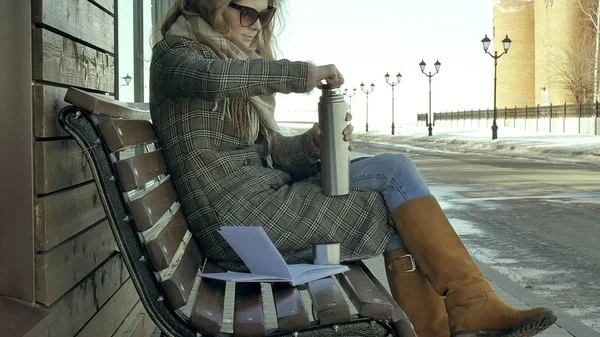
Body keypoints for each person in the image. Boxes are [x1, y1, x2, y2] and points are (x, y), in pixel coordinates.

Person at [149, 0, 558, 336]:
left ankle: (465, 311)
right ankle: (465, 311)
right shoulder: (178, 57)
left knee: (395, 170)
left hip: (257, 205)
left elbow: (269, 156)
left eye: (267, 14)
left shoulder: (229, 61)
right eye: (248, 13)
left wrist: (314, 143)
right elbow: (211, 78)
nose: (258, 25)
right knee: (395, 209)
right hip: (240, 222)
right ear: (211, 4)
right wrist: (303, 75)